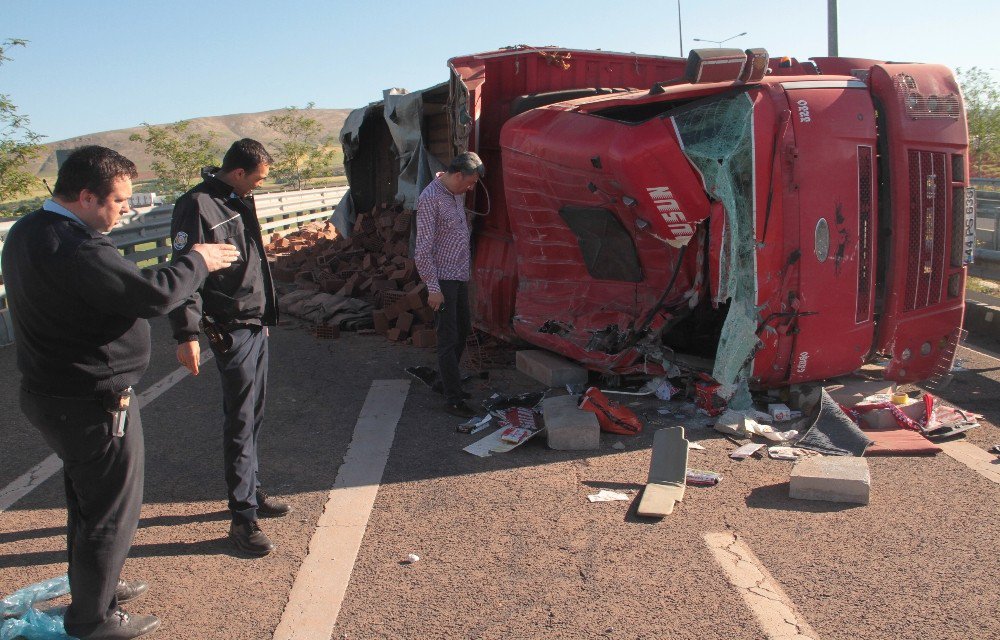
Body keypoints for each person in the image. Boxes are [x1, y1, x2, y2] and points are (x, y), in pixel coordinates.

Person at [2, 146, 239, 640]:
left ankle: (95, 588)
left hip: (54, 395)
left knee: (89, 503)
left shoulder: (28, 231)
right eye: (121, 201)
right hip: (90, 402)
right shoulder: (79, 248)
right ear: (87, 197)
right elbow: (152, 294)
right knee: (112, 511)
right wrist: (198, 259)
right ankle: (93, 620)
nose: (127, 209)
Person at [168, 139, 289, 558]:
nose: (258, 186)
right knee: (239, 421)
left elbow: (251, 261)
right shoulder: (198, 206)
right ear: (238, 171)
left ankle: (252, 493)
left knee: (254, 413)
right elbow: (185, 274)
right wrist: (187, 334)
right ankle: (242, 521)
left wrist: (265, 317)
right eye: (257, 178)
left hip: (254, 325)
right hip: (229, 328)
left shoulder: (237, 198)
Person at [414, 152, 485, 419]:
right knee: (448, 336)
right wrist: (433, 288)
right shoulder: (430, 199)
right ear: (458, 176)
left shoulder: (456, 192)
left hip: (457, 274)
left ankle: (446, 381)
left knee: (463, 328)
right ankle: (452, 399)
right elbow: (422, 250)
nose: (472, 187)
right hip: (442, 279)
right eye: (470, 182)